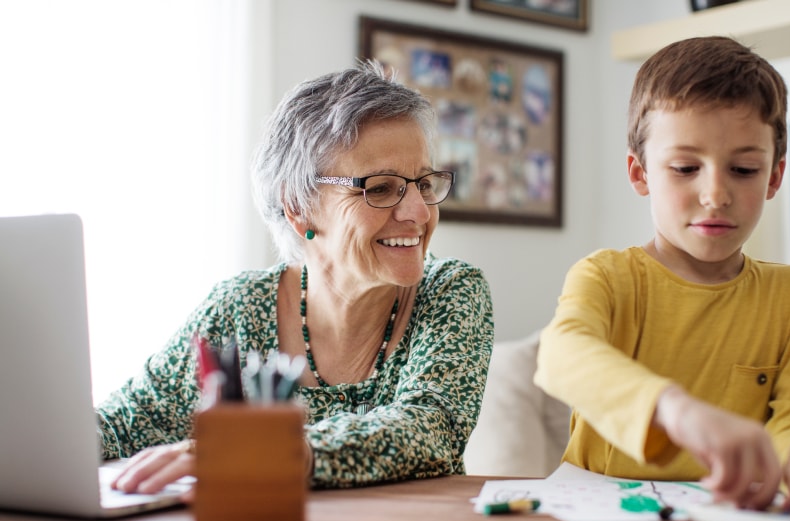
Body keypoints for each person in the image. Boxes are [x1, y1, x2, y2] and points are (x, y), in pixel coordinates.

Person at [98, 60, 494, 493]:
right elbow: (123, 424)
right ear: (299, 206)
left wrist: (271, 451)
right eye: (380, 188)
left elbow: (429, 429)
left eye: (423, 183)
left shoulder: (451, 290)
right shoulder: (238, 308)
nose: (419, 212)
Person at [534, 36, 790, 512]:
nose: (715, 194)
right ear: (640, 173)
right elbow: (562, 354)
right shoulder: (606, 276)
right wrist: (677, 411)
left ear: (774, 176)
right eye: (686, 167)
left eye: (744, 168)